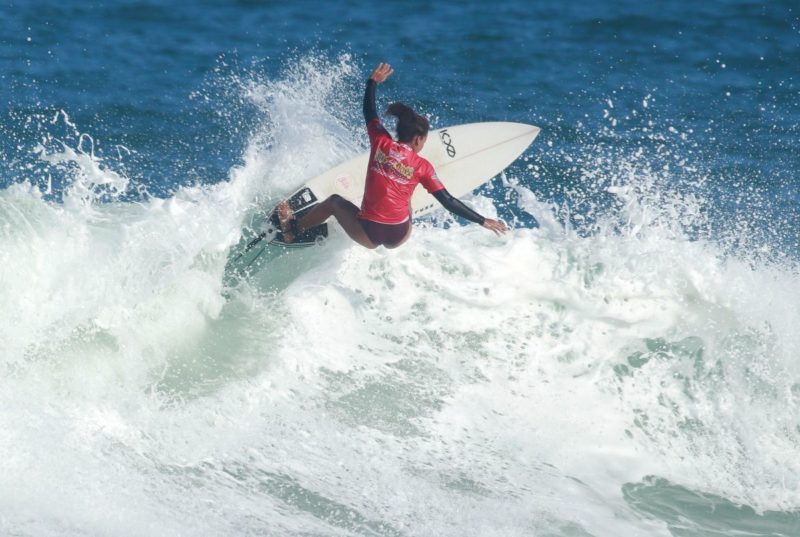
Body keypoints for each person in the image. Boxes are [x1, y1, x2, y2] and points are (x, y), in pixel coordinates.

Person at [278, 62, 507, 249]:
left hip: (368, 234)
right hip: (399, 235)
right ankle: (294, 230)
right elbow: (448, 201)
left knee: (334, 202)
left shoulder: (380, 142)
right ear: (418, 140)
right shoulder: (423, 166)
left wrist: (372, 83)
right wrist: (482, 220)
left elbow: (369, 111)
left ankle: (294, 228)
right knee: (407, 191)